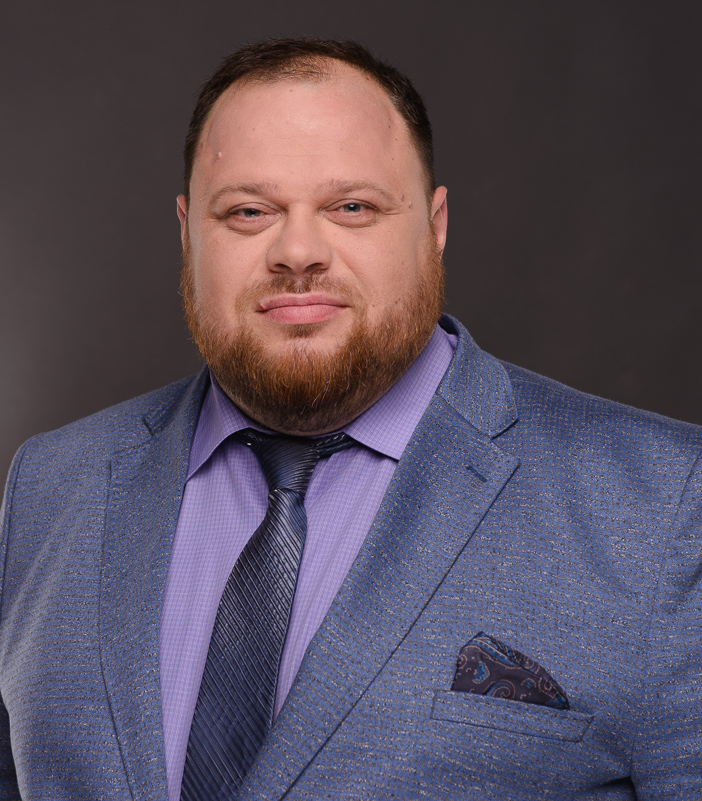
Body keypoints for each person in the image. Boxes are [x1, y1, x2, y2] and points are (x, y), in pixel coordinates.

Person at [1, 37, 701, 801]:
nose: (298, 251)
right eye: (248, 211)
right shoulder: (50, 485)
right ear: (187, 232)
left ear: (434, 225)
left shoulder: (665, 505)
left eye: (352, 207)